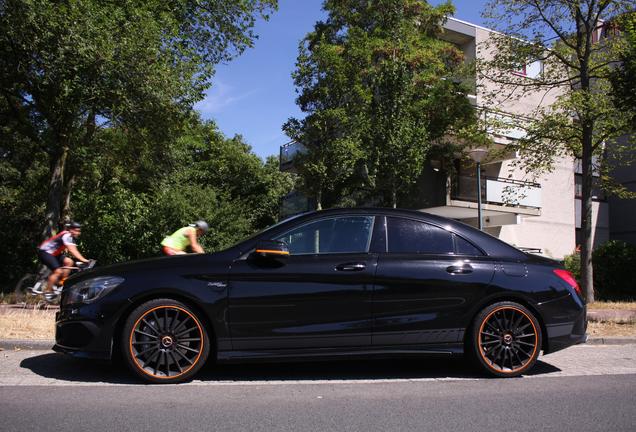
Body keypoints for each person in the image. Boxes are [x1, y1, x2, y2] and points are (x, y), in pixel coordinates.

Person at [37, 221, 90, 301]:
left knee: (69, 262)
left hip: (54, 253)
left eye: (79, 231)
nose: (78, 233)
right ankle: (47, 292)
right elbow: (72, 251)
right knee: (58, 271)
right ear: (71, 230)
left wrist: (83, 259)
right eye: (77, 230)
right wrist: (84, 260)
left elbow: (75, 250)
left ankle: (62, 282)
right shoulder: (66, 235)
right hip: (45, 252)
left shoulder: (71, 237)